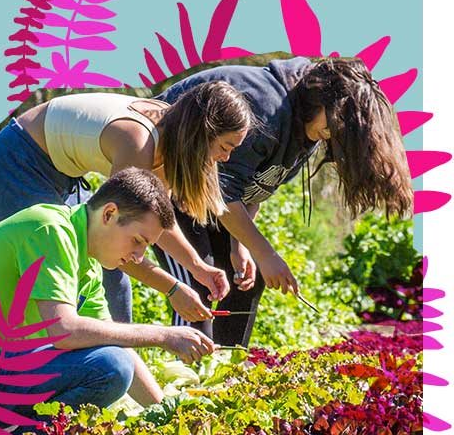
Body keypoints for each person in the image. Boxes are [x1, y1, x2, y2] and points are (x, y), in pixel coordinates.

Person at [0, 168, 218, 434]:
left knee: (113, 358)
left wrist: (167, 415)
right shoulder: (50, 230)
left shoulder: (87, 260)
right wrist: (164, 335)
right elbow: (64, 330)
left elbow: (114, 341)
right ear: (109, 214)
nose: (138, 258)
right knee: (112, 366)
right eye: (138, 241)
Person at [152, 56, 413, 347]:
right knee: (199, 279)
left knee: (245, 278)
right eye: (333, 127)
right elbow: (223, 190)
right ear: (320, 100)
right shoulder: (267, 108)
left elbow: (254, 185)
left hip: (212, 194)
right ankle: (186, 374)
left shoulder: (307, 127)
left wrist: (241, 247)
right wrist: (265, 252)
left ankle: (225, 369)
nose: (331, 136)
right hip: (173, 181)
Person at [0, 82, 254, 325]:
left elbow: (156, 218)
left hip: (63, 174)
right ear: (201, 134)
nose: (226, 158)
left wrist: (197, 268)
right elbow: (118, 244)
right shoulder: (140, 142)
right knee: (57, 274)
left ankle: (116, 365)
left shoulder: (171, 135)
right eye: (225, 147)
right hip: (16, 164)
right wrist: (172, 289)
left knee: (107, 278)